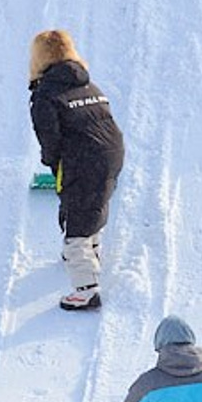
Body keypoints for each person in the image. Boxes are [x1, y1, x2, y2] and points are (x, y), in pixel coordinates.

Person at [27, 29, 125, 311]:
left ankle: (86, 289)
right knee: (95, 199)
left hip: (83, 159)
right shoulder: (90, 86)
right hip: (112, 154)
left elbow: (49, 138)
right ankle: (92, 249)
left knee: (77, 219)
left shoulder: (46, 95)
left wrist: (53, 164)